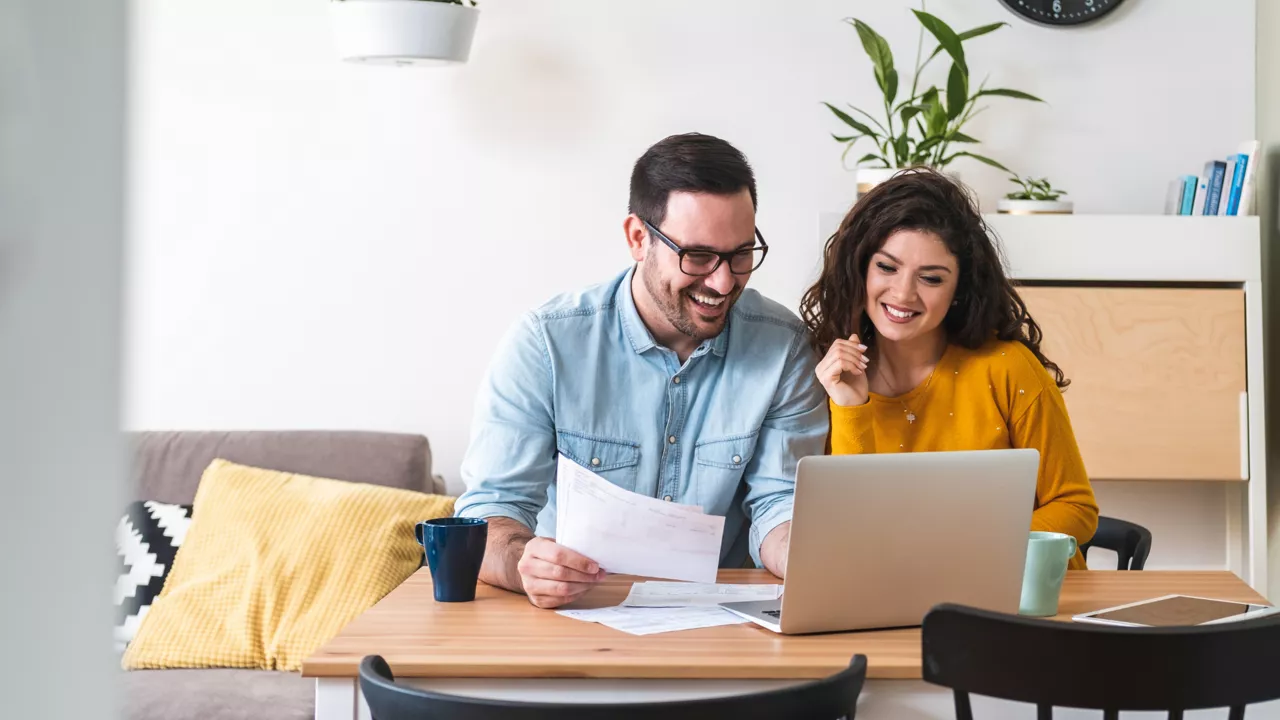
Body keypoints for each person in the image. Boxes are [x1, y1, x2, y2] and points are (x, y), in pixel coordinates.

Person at [455, 133, 829, 608]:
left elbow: (779, 505)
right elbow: (489, 514)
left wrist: (803, 554)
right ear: (638, 238)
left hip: (721, 625)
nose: (722, 281)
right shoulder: (545, 344)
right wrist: (524, 562)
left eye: (740, 254)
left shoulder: (783, 346)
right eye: (697, 256)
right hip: (570, 619)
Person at [799, 167, 1098, 569]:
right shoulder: (826, 374)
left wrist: (966, 549)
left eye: (931, 278)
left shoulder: (1007, 368)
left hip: (1017, 598)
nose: (903, 293)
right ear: (860, 267)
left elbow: (1075, 507)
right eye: (887, 268)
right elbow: (852, 531)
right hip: (891, 593)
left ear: (960, 289)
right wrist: (851, 406)